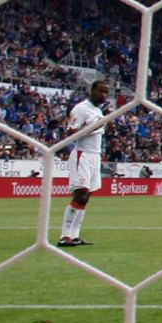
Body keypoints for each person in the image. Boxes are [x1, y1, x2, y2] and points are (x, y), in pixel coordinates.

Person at [58, 80, 109, 248]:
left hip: (95, 156)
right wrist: (96, 126)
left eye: (106, 92)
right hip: (82, 154)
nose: (104, 95)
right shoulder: (81, 109)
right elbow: (71, 132)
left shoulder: (98, 111)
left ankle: (75, 235)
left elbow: (99, 130)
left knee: (86, 198)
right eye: (100, 91)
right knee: (80, 194)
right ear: (92, 90)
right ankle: (64, 235)